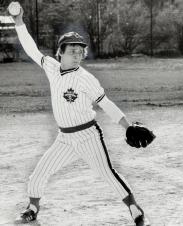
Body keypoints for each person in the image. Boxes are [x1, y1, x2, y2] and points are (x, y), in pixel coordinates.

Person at [9, 2, 155, 226]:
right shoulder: (50, 67)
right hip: (64, 139)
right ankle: (32, 208)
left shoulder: (85, 78)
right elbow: (31, 49)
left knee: (108, 173)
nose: (77, 54)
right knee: (38, 174)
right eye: (72, 50)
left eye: (80, 51)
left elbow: (105, 103)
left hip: (88, 136)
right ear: (60, 52)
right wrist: (19, 22)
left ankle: (135, 209)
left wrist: (128, 126)